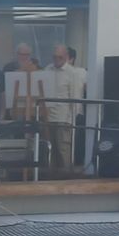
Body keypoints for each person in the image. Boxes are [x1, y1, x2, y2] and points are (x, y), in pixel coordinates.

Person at [42, 44, 86, 173]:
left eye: (60, 57)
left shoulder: (73, 73)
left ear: (66, 57)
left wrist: (71, 121)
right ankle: (51, 178)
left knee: (63, 151)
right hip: (48, 117)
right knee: (49, 151)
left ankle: (66, 177)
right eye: (54, 57)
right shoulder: (47, 70)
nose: (57, 60)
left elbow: (75, 99)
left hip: (64, 119)